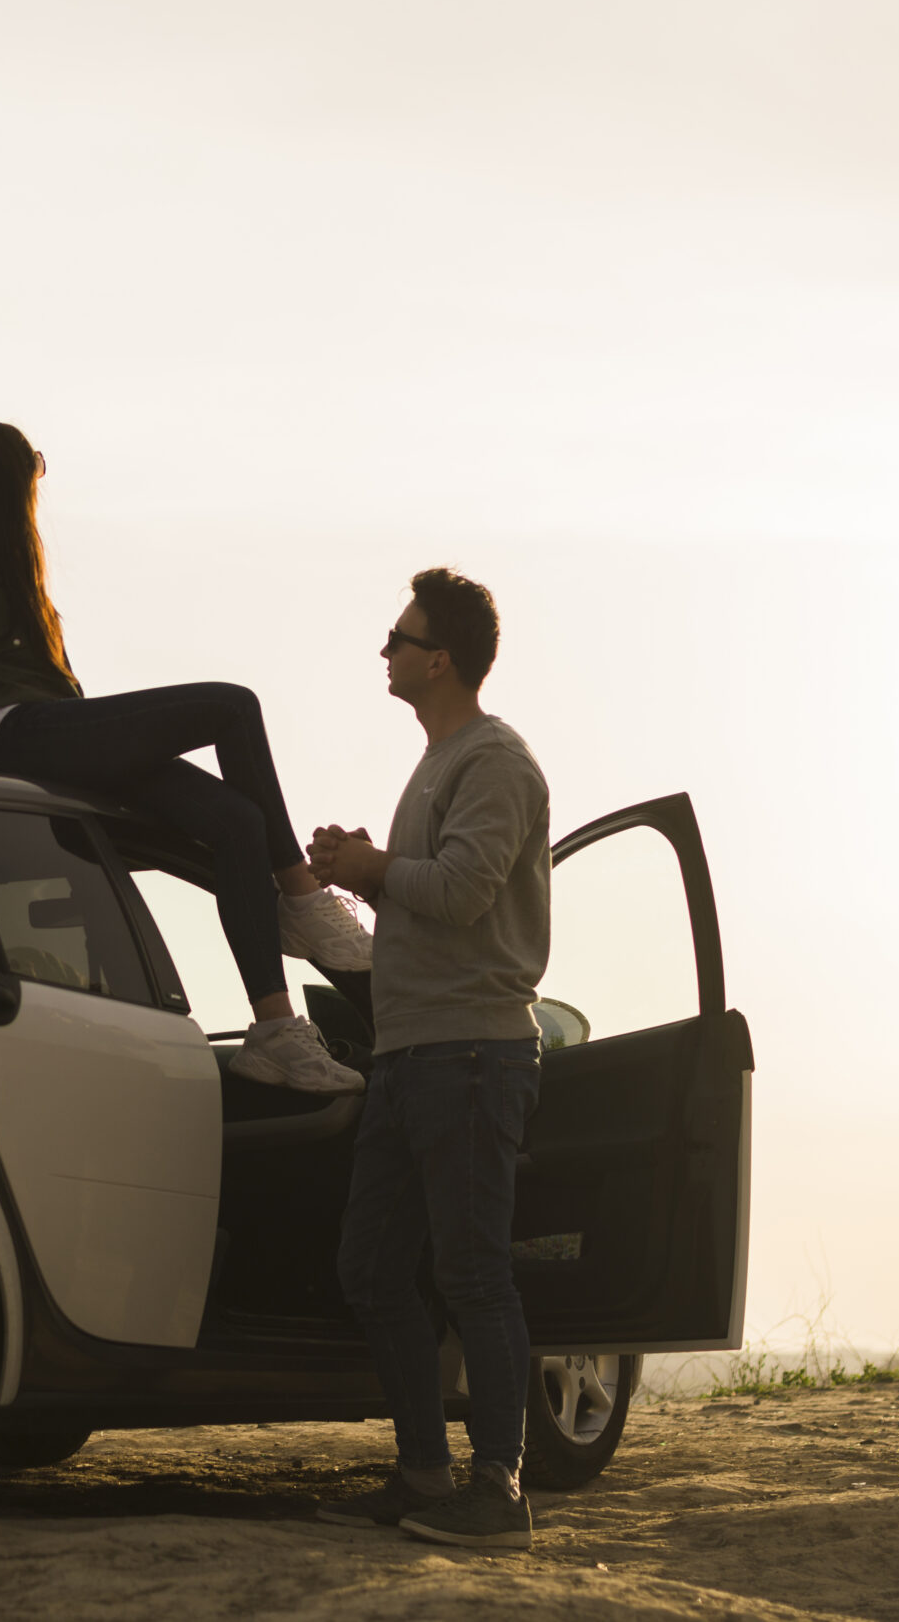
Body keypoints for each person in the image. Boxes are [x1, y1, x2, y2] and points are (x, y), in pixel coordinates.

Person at [0, 418, 371, 1094]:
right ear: (1, 478)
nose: (35, 487)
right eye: (32, 469)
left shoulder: (13, 564)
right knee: (232, 705)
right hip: (8, 741)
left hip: (53, 734)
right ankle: (303, 895)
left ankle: (276, 1030)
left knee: (235, 821)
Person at [307, 568, 551, 1551]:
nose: (386, 651)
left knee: (473, 1271)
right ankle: (421, 1471)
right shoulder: (440, 762)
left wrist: (371, 869)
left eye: (398, 637)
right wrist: (369, 869)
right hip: (411, 1056)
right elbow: (435, 893)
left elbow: (458, 891)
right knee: (370, 1264)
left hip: (470, 1054)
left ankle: (498, 1488)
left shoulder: (493, 760)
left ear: (438, 656)